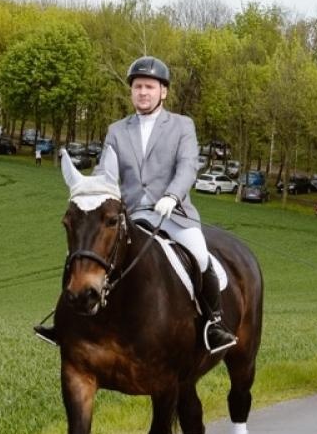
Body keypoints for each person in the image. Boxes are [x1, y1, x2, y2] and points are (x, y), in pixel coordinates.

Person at [34, 56, 236, 354]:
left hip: (173, 214)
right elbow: (107, 173)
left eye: (149, 87)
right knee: (80, 253)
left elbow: (188, 166)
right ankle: (63, 322)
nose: (143, 92)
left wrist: (172, 195)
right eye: (138, 87)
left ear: (163, 92)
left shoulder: (182, 126)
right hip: (128, 215)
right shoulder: (117, 130)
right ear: (131, 92)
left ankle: (214, 323)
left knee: (199, 256)